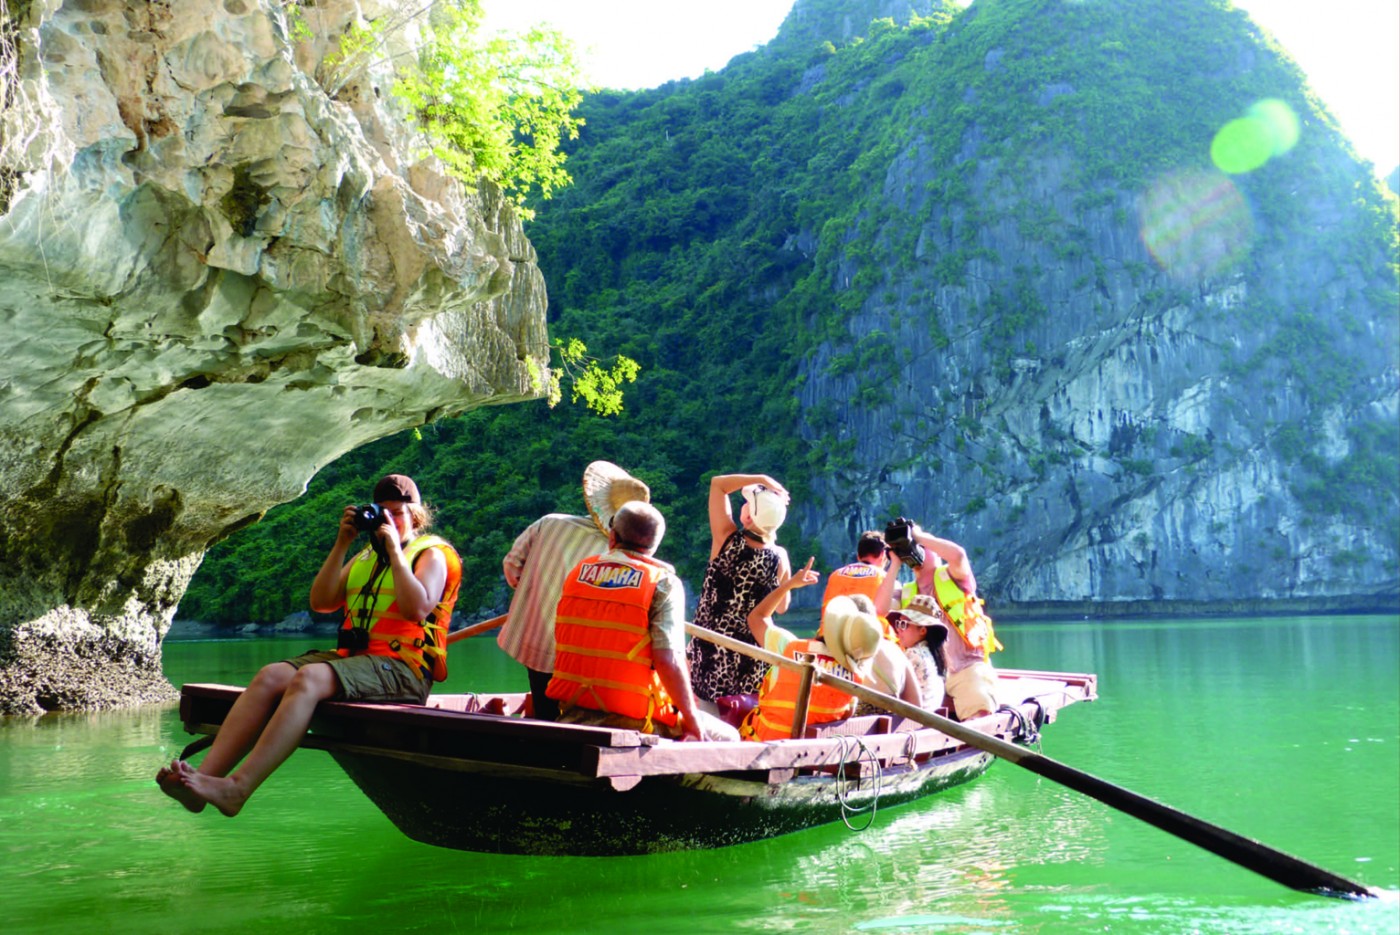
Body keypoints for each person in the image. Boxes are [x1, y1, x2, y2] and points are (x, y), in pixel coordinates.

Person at [156, 474, 461, 816]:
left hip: (403, 671)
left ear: (416, 516)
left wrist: (393, 550)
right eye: (382, 512)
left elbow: (416, 608)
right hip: (356, 662)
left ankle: (238, 788)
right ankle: (203, 782)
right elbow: (322, 602)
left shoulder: (432, 554)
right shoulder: (364, 558)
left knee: (309, 679)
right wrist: (342, 543)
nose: (390, 520)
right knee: (271, 675)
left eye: (398, 513)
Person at [546, 501, 737, 741]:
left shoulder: (578, 572)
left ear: (613, 536)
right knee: (728, 737)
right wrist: (692, 719)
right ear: (655, 545)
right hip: (632, 720)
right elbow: (668, 660)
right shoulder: (663, 583)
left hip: (572, 710)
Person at [499, 461, 650, 721]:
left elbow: (512, 569)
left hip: (535, 642)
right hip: (585, 657)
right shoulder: (624, 558)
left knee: (544, 709)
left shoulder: (548, 524)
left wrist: (536, 589)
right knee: (576, 716)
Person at [741, 570, 920, 740]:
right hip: (818, 755)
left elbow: (756, 618)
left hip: (765, 747)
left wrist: (789, 584)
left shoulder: (789, 646)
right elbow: (916, 708)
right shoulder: (855, 673)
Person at [685, 473, 793, 705]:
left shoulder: (726, 539)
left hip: (707, 653)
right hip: (750, 661)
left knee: (703, 717)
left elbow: (719, 484)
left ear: (749, 519)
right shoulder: (779, 557)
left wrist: (764, 478)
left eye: (747, 504)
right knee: (740, 719)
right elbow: (782, 607)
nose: (742, 505)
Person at [875, 522, 1002, 719]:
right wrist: (895, 564)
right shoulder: (908, 591)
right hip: (927, 669)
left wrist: (919, 537)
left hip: (966, 666)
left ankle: (974, 742)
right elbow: (879, 609)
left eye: (923, 549)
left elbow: (958, 555)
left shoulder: (952, 576)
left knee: (979, 706)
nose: (916, 553)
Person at [886, 600, 948, 712]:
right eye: (898, 624)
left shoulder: (914, 654)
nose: (898, 629)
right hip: (928, 719)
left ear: (923, 630)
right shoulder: (933, 656)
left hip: (913, 719)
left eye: (904, 625)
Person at [820, 529, 889, 614]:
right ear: (882, 555)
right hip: (868, 626)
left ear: (858, 555)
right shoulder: (885, 578)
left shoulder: (835, 574)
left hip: (835, 626)